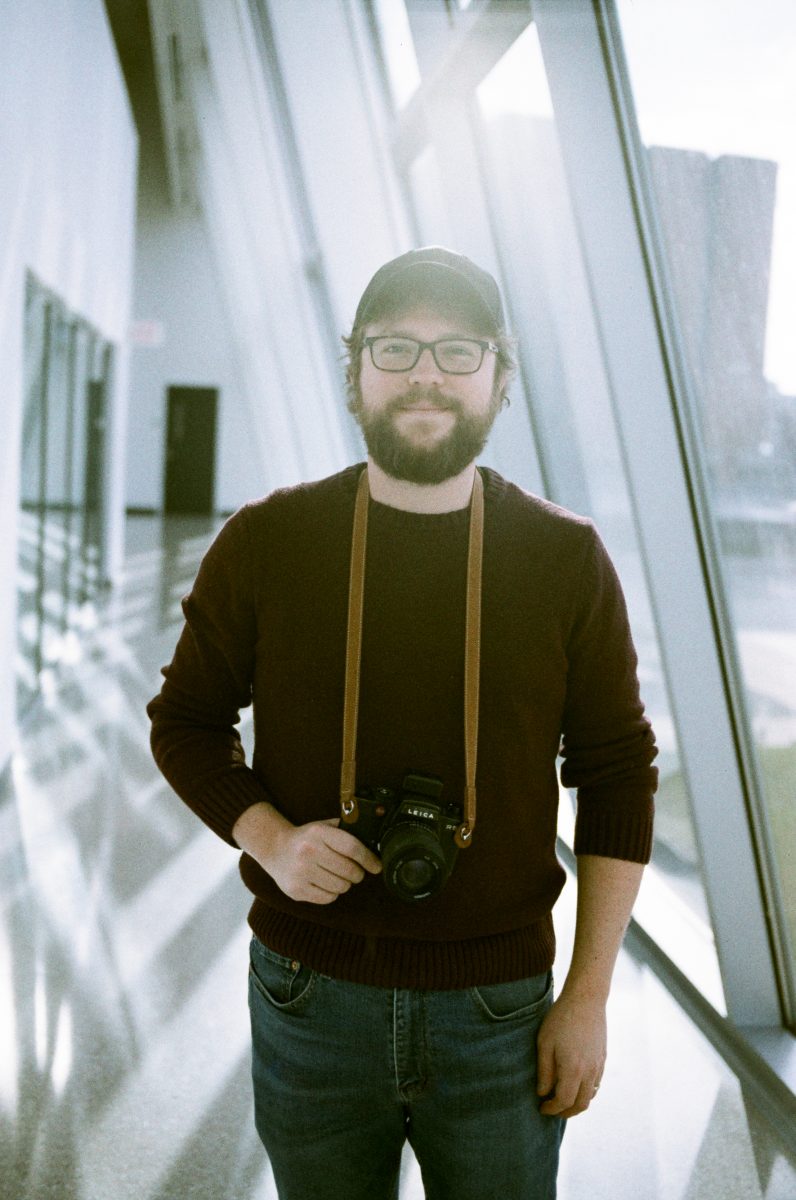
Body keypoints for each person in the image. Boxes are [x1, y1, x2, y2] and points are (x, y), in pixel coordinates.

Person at [147, 246, 657, 1200]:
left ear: (500, 379)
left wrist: (588, 996)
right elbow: (186, 721)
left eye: (458, 350)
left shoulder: (566, 559)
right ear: (355, 372)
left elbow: (619, 773)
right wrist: (270, 839)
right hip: (307, 991)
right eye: (395, 347)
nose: (426, 373)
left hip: (502, 1008)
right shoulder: (267, 540)